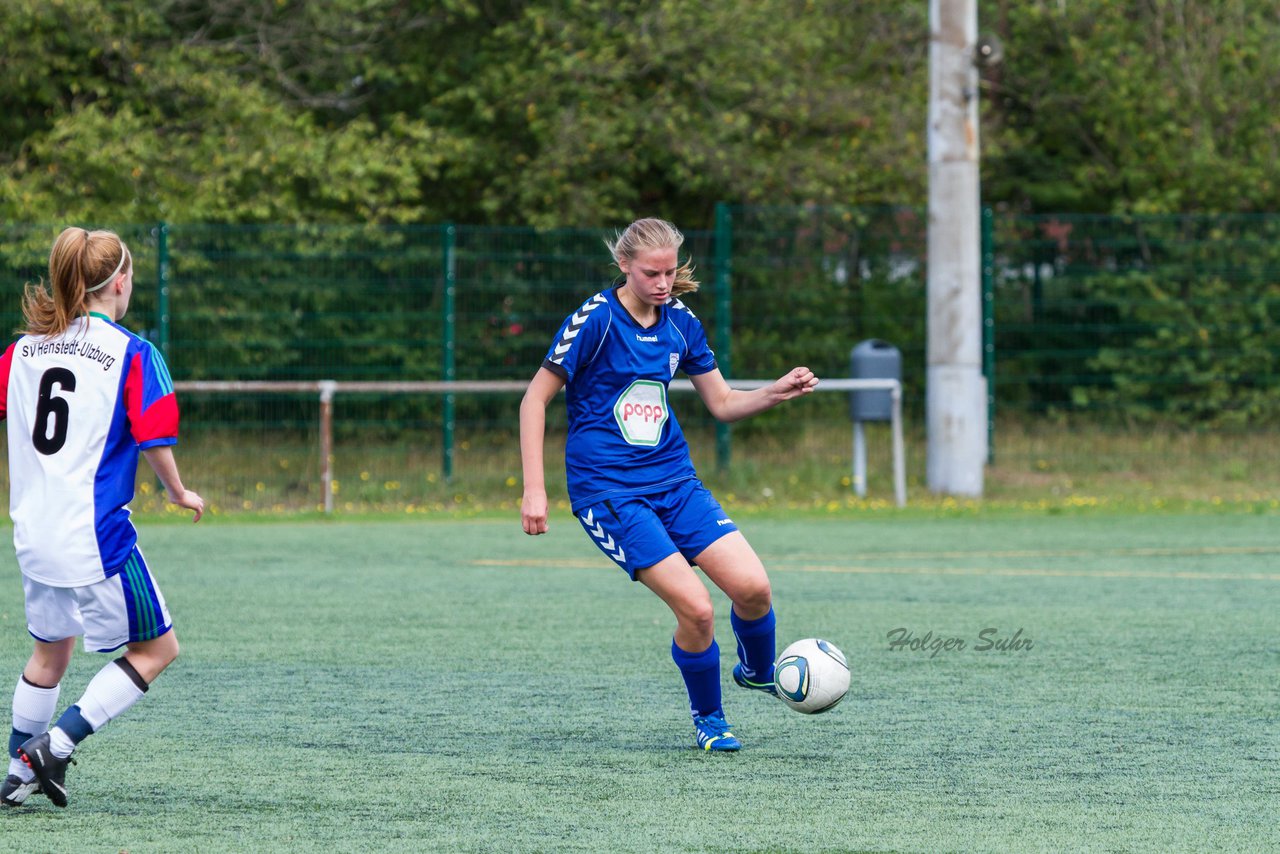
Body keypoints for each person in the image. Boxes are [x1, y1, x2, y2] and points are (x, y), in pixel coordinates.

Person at [520, 217, 818, 751]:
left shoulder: (680, 322)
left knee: (753, 589)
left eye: (669, 271)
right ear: (624, 266)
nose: (662, 283)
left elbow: (723, 403)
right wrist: (535, 489)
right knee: (697, 609)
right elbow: (533, 400)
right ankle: (711, 720)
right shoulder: (595, 321)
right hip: (609, 493)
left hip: (675, 481)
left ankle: (756, 671)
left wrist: (774, 392)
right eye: (650, 273)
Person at [0, 227, 204, 808]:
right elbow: (155, 434)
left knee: (49, 653)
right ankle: (54, 746)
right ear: (120, 282)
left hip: (32, 536)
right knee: (157, 650)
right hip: (94, 537)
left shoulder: (20, 352)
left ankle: (14, 779)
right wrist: (179, 491)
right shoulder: (133, 352)